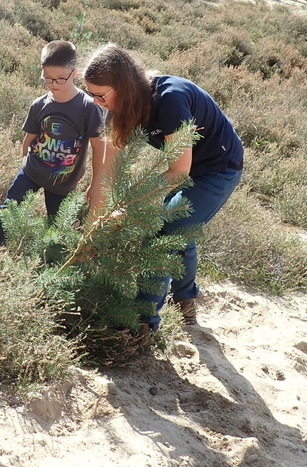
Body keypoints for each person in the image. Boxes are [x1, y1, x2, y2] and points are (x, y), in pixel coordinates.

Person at [84, 44, 243, 328]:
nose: (96, 102)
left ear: (124, 86)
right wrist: (91, 234)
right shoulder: (118, 109)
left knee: (164, 232)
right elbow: (107, 174)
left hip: (218, 169)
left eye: (101, 95)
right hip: (187, 165)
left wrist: (129, 206)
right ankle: (185, 299)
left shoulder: (170, 99)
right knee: (181, 232)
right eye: (90, 94)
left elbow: (179, 171)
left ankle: (142, 323)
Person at [0, 41, 105, 251]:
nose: (53, 83)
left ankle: (52, 265)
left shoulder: (89, 107)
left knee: (57, 229)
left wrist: (95, 183)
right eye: (47, 77)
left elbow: (100, 149)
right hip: (31, 172)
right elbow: (29, 139)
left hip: (64, 182)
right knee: (7, 213)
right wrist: (24, 166)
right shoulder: (39, 104)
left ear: (75, 73)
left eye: (60, 78)